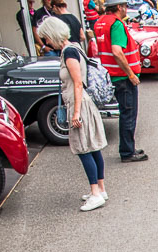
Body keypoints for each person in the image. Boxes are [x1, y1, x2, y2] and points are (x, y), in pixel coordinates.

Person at [40, 17, 109, 211]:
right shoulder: (75, 47)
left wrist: (76, 113)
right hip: (84, 103)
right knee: (93, 148)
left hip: (79, 104)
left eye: (46, 38)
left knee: (83, 148)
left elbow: (77, 83)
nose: (46, 42)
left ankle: (96, 194)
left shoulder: (68, 52)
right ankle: (100, 189)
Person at [95, 0, 147, 162]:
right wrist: (131, 74)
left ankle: (128, 148)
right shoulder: (116, 24)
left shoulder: (101, 22)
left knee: (126, 113)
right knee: (128, 114)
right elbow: (117, 51)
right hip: (123, 77)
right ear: (119, 7)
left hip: (111, 74)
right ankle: (127, 152)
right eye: (125, 6)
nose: (127, 9)